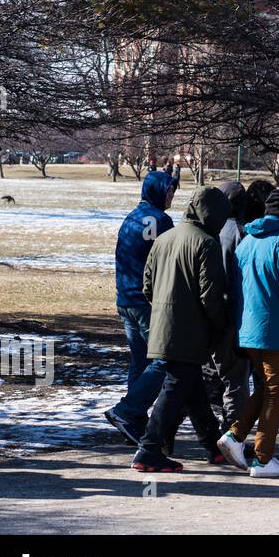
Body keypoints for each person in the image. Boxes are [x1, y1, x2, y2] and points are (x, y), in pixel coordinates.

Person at [216, 188, 279, 478]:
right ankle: (262, 458)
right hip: (276, 333)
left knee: (266, 387)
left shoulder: (247, 242)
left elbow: (237, 291)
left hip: (248, 330)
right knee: (276, 393)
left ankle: (234, 437)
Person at [132, 187, 231, 473]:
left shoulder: (163, 238)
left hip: (162, 325)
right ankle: (148, 449)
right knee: (174, 388)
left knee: (192, 389)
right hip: (191, 331)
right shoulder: (207, 244)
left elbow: (147, 287)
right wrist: (221, 325)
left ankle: (214, 446)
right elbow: (211, 296)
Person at [105, 170, 178, 444]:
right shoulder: (162, 220)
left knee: (140, 360)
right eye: (169, 191)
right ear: (158, 191)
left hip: (126, 299)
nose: (172, 196)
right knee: (164, 360)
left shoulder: (132, 218)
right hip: (148, 302)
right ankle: (127, 411)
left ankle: (132, 423)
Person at [200, 179, 250, 430]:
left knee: (210, 373)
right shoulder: (240, 232)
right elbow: (240, 280)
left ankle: (211, 427)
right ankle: (233, 432)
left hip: (207, 312)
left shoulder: (209, 228)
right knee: (235, 378)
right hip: (230, 314)